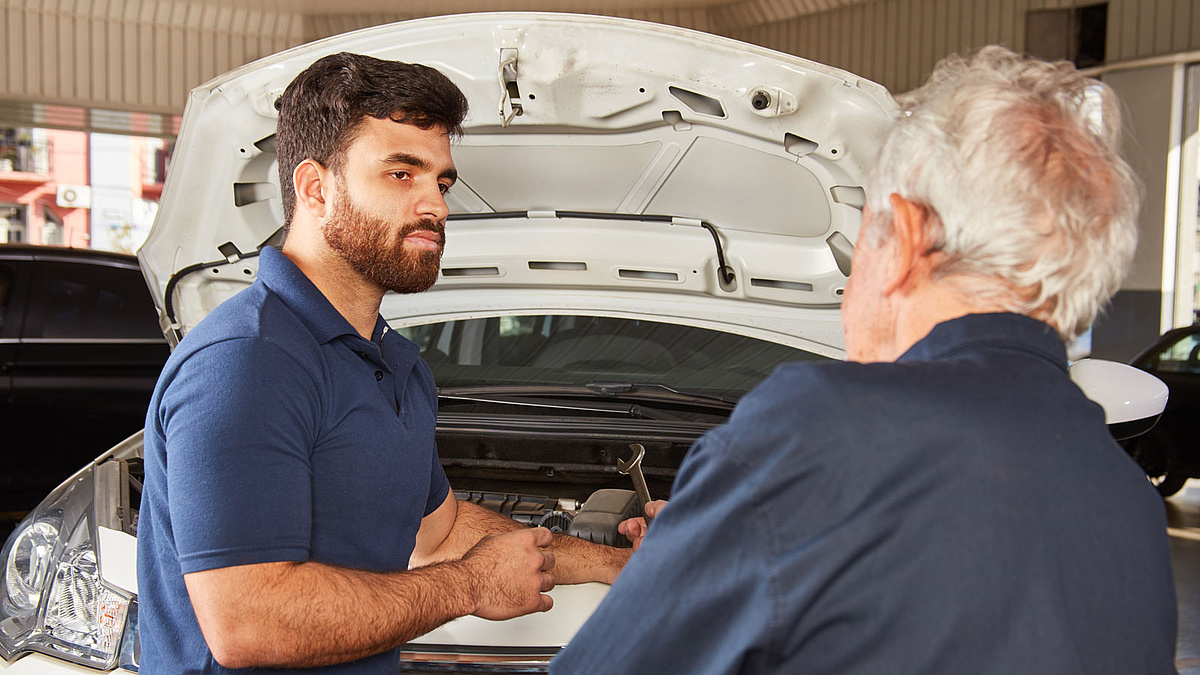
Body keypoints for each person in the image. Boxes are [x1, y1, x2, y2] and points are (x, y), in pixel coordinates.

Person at [551, 46, 1178, 674]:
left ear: (903, 236)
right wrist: (715, 545)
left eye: (858, 246)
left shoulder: (818, 435)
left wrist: (680, 568)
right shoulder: (1133, 510)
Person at [137, 52, 629, 673]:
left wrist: (625, 565)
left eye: (441, 182)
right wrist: (470, 587)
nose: (437, 207)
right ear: (315, 188)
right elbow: (248, 623)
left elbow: (441, 533)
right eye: (402, 174)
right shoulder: (246, 362)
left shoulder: (396, 364)